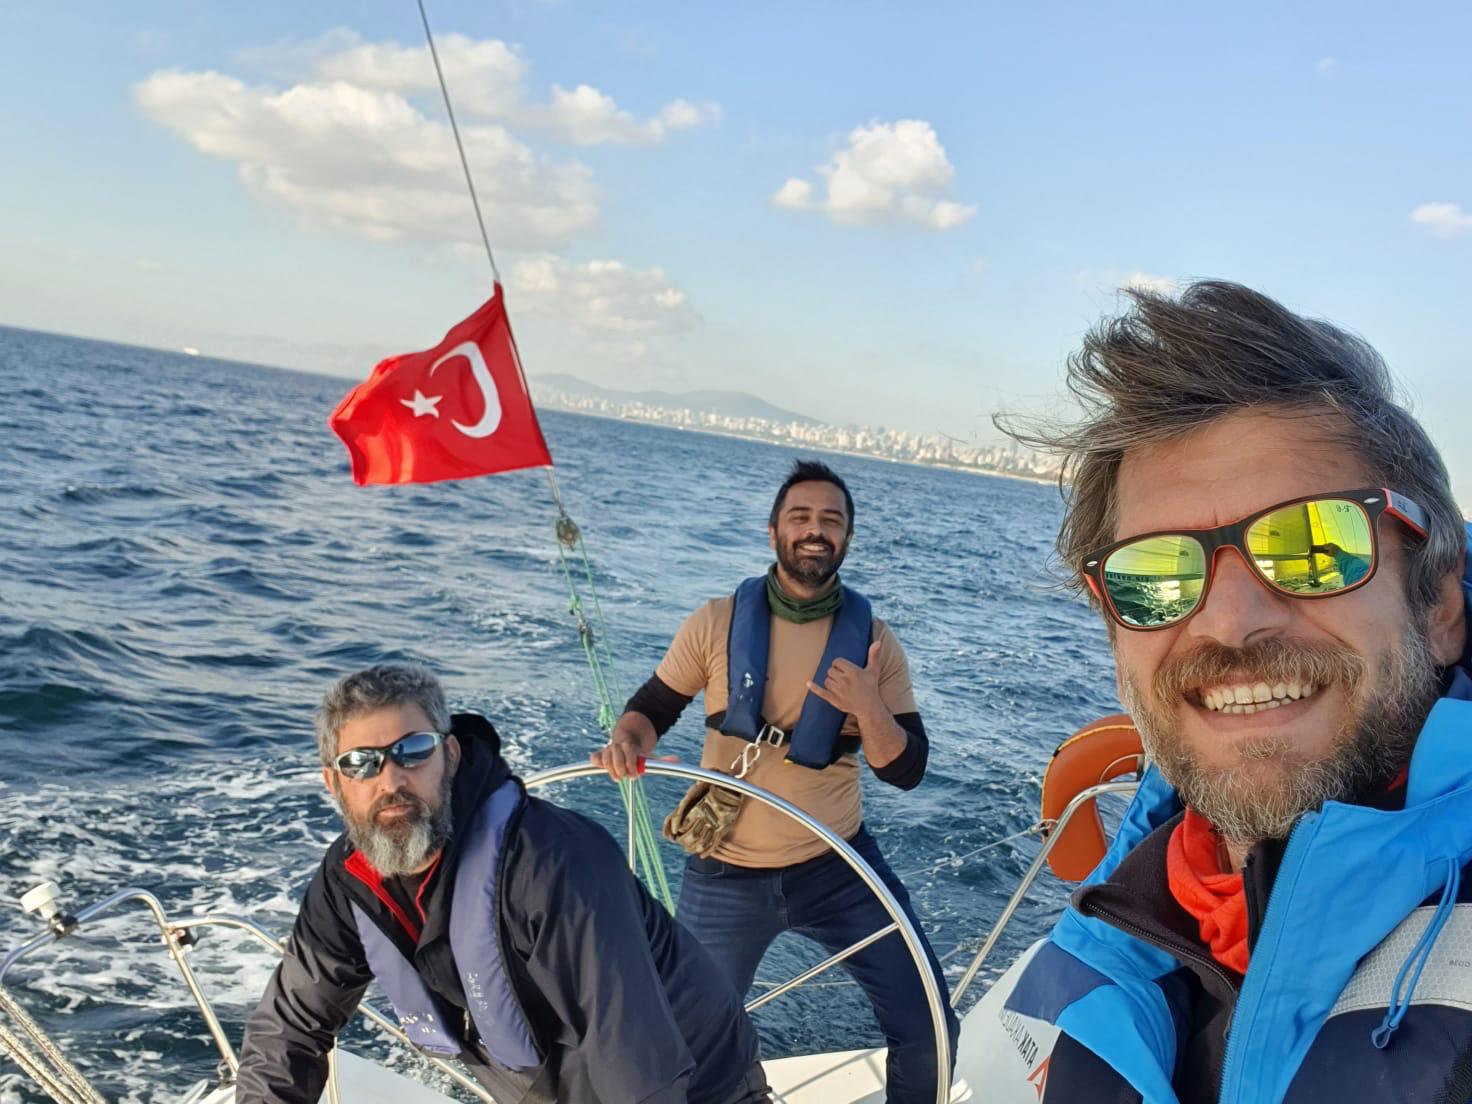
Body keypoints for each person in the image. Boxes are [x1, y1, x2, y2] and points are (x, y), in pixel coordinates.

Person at [992, 281, 1472, 1102]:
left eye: (1311, 545)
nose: (1228, 623)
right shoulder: (1123, 937)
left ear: (1439, 608)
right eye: (1156, 573)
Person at [591, 459, 959, 1104]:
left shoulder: (875, 644)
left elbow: (906, 771)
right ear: (774, 532)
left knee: (930, 1026)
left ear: (847, 538)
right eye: (801, 517)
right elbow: (652, 707)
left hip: (839, 865)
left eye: (831, 520)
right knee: (685, 1045)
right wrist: (628, 740)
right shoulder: (715, 623)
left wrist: (868, 704)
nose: (815, 530)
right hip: (725, 874)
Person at [236, 663, 772, 1104]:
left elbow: (633, 1069)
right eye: (361, 763)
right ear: (334, 782)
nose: (391, 780)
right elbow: (290, 1030)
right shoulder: (347, 884)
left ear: (450, 756)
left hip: (699, 1088)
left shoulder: (552, 865)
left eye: (413, 750)